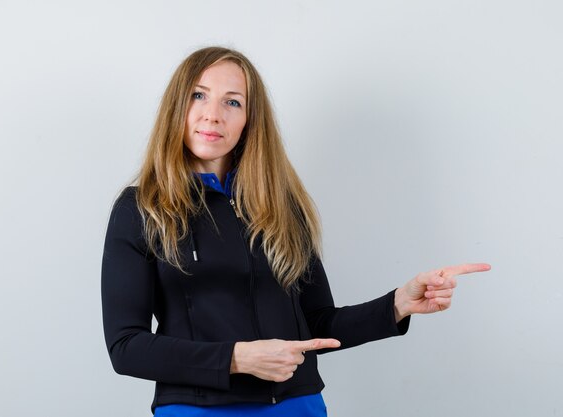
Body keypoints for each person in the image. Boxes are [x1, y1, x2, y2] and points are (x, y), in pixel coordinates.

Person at [100, 46, 491, 416]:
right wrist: (237, 358)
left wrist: (399, 304)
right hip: (196, 409)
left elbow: (317, 323)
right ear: (176, 108)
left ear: (250, 121)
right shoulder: (141, 210)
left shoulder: (281, 209)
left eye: (232, 102)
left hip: (297, 406)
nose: (213, 114)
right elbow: (126, 347)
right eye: (198, 96)